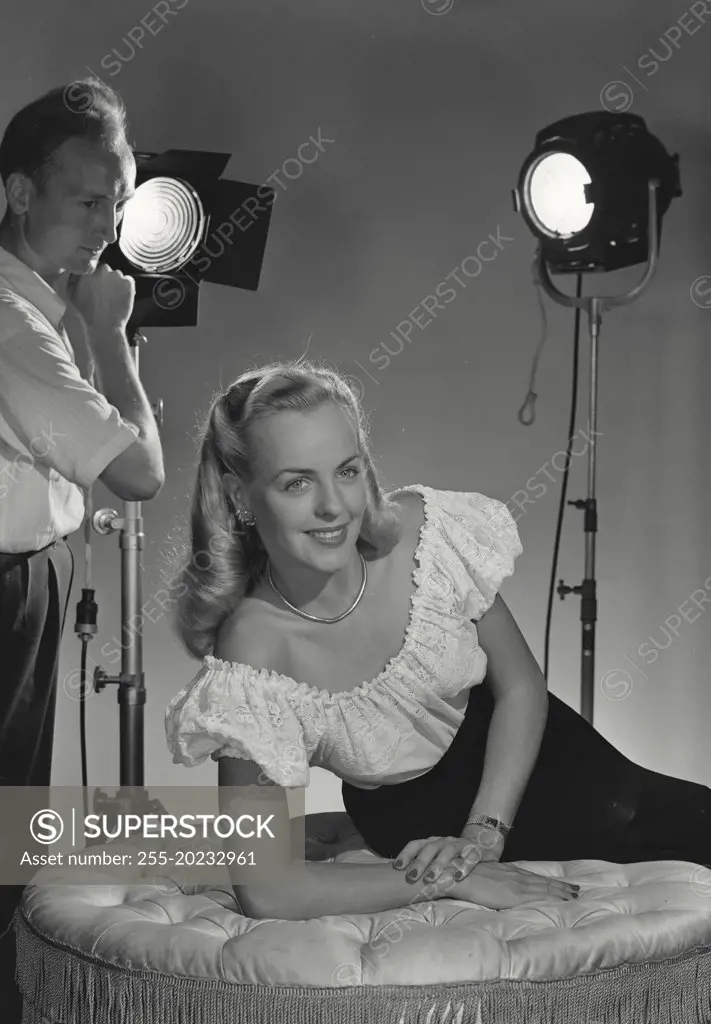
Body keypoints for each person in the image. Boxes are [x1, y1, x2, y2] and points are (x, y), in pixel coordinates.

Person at [165, 359, 710, 921]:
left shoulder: (424, 536)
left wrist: (482, 839)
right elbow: (267, 891)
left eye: (347, 471)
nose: (334, 506)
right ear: (239, 495)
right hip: (420, 839)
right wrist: (447, 882)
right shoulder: (252, 653)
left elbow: (521, 687)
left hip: (579, 783)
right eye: (297, 482)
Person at [0, 78, 165, 1018]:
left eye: (119, 199)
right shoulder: (20, 320)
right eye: (88, 198)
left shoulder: (41, 300)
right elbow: (138, 474)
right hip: (10, 584)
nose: (108, 223)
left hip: (36, 570)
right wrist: (112, 333)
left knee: (19, 813)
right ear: (21, 193)